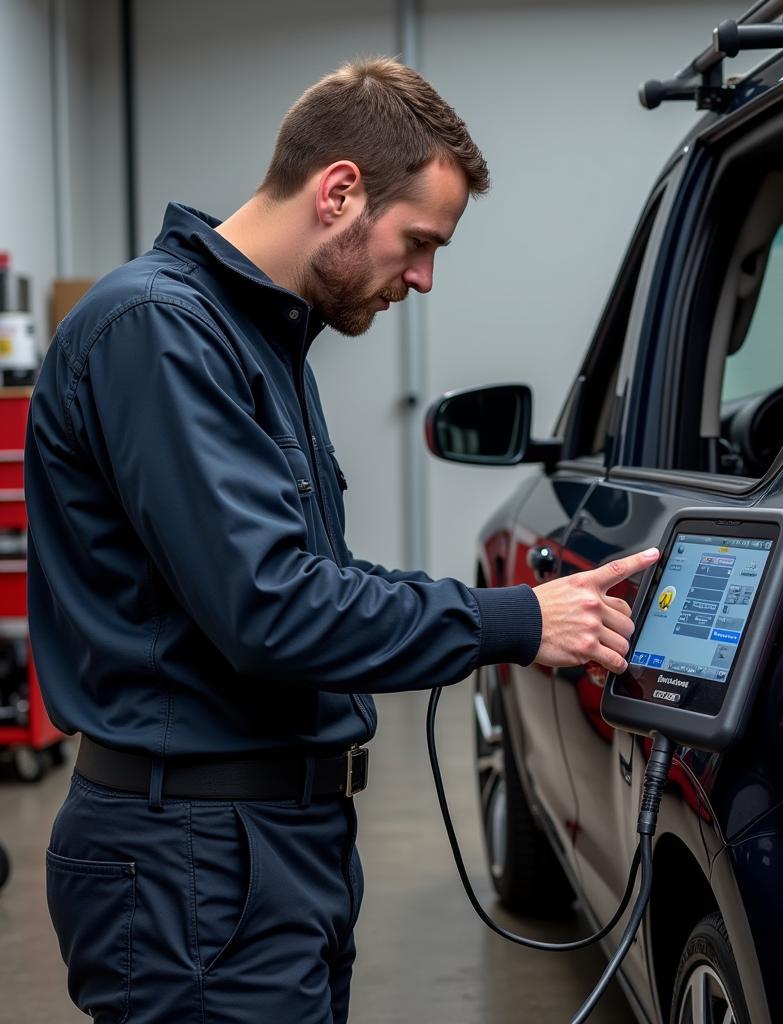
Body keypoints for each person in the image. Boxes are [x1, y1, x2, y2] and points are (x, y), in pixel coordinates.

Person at [25, 57, 656, 1024]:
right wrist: (512, 620)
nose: (424, 277)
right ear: (340, 191)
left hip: (270, 845)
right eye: (418, 241)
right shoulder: (159, 332)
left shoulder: (260, 344)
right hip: (193, 858)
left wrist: (512, 616)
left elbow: (315, 576)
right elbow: (270, 607)